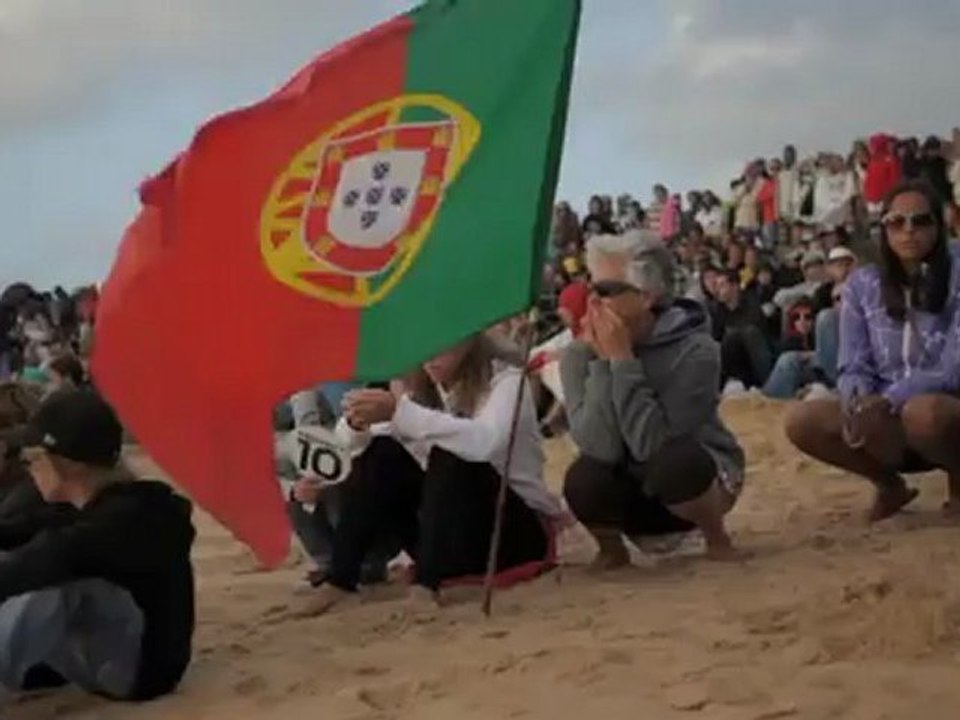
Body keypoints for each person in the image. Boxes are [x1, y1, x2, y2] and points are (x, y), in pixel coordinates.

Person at [295, 336, 565, 615]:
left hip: (510, 530)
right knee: (382, 452)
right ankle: (341, 577)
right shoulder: (421, 388)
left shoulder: (506, 382)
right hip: (447, 536)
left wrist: (401, 413)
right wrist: (356, 424)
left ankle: (426, 584)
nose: (433, 356)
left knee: (449, 453)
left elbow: (485, 442)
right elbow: (357, 446)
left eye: (445, 344)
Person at [560, 237, 746, 564]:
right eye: (590, 289)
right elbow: (598, 447)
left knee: (676, 462)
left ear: (646, 297)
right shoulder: (577, 355)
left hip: (692, 481)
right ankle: (611, 549)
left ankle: (716, 535)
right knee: (584, 478)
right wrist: (604, 366)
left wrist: (623, 362)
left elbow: (655, 445)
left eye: (605, 291)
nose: (593, 303)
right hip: (628, 486)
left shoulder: (696, 351)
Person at [0, 389, 195, 700]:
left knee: (58, 590)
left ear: (70, 464)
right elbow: (20, 532)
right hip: (111, 652)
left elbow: (46, 557)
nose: (27, 468)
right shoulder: (96, 507)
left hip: (134, 674)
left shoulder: (126, 520)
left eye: (32, 458)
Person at [785, 181, 960, 521]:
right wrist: (858, 399)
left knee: (926, 413)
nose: (908, 232)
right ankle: (888, 485)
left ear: (939, 226)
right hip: (887, 415)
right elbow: (852, 362)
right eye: (897, 223)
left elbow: (953, 367)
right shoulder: (863, 283)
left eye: (920, 221)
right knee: (802, 420)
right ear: (884, 229)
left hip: (944, 409)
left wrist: (890, 398)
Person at [710, 270, 774, 393]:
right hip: (731, 362)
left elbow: (759, 333)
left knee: (748, 333)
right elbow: (715, 338)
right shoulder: (715, 310)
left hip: (754, 360)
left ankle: (768, 387)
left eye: (722, 285)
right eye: (716, 286)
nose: (718, 290)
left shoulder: (751, 303)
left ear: (734, 287)